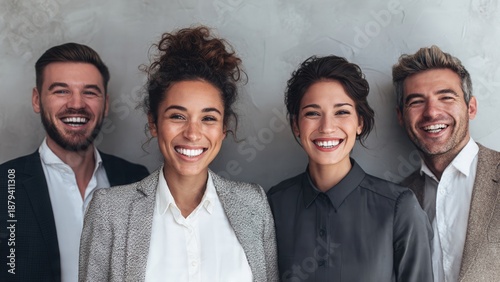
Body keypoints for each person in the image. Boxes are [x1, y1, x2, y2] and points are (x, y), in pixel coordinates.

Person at [79, 26, 278, 282]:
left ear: (223, 128)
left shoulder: (253, 205)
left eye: (208, 118)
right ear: (153, 123)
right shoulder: (110, 211)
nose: (193, 133)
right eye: (177, 116)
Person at [267, 55, 433, 282]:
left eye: (342, 112)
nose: (327, 127)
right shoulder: (273, 204)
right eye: (313, 113)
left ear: (360, 122)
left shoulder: (399, 207)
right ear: (296, 125)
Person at [0, 43, 149, 282]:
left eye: (90, 92)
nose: (77, 104)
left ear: (106, 103)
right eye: (61, 91)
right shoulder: (4, 185)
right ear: (37, 100)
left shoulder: (136, 180)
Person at [392, 45, 500, 282]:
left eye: (446, 97)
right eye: (417, 102)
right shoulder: (396, 199)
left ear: (470, 107)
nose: (431, 112)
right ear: (401, 116)